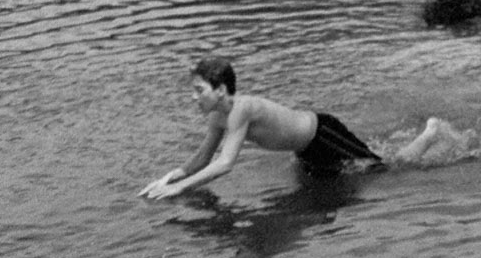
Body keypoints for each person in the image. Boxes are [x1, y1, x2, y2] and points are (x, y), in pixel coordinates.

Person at [139, 57, 382, 200]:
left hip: (323, 134)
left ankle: (419, 144)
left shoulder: (240, 109)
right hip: (305, 152)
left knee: (380, 170)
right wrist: (169, 178)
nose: (193, 97)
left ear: (221, 90)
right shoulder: (217, 115)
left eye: (199, 90)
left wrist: (179, 188)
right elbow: (203, 157)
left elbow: (225, 163)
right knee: (328, 196)